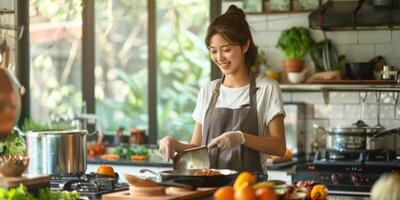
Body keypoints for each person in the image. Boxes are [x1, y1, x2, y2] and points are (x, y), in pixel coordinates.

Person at [159, 5, 286, 175]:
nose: (220, 58)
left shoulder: (267, 88)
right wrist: (173, 143)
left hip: (248, 189)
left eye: (226, 50)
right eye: (214, 51)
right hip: (209, 187)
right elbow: (197, 146)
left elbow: (279, 147)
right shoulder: (208, 90)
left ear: (245, 45)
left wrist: (241, 137)